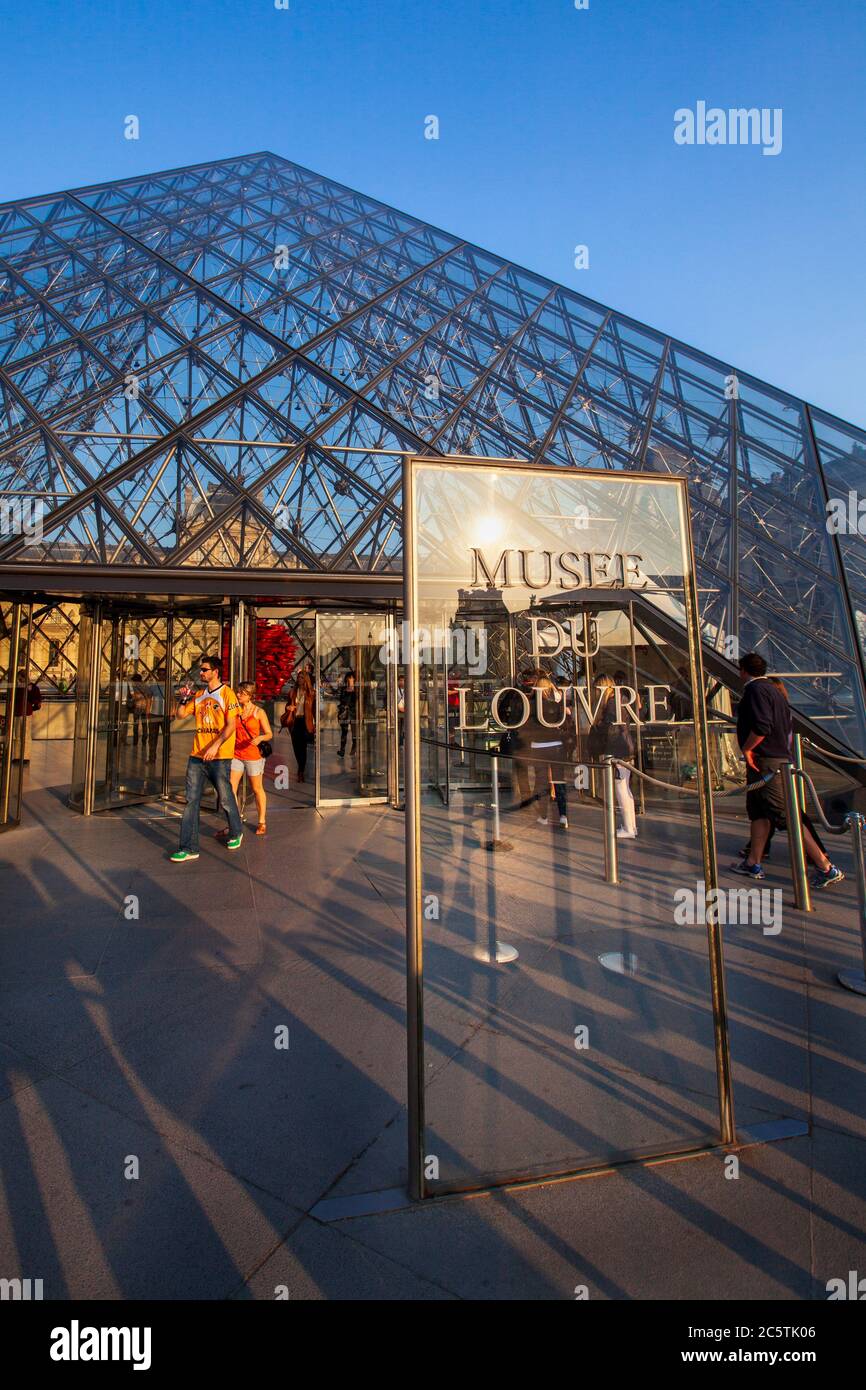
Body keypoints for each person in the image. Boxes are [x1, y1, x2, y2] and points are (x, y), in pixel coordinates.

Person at [731, 652, 843, 888]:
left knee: (786, 815)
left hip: (766, 761)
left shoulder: (755, 691)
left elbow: (762, 726)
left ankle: (825, 867)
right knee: (759, 812)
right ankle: (753, 862)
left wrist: (748, 749)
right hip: (774, 758)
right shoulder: (774, 690)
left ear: (743, 670)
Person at [170, 655, 243, 862]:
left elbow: (231, 725)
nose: (201, 673)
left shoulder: (227, 694)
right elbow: (181, 715)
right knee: (191, 801)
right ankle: (189, 847)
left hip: (219, 756)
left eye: (204, 669)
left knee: (226, 798)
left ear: (215, 672)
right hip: (197, 755)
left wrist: (216, 745)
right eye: (201, 670)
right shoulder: (200, 694)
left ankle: (236, 832)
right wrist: (183, 698)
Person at [590, 674, 637, 839]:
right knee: (626, 789)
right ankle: (631, 826)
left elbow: (611, 729)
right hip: (626, 748)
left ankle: (629, 828)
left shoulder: (611, 704)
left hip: (617, 750)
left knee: (621, 790)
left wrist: (598, 727)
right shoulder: (621, 699)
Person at [222, 681, 272, 837]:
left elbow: (269, 734)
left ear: (250, 695)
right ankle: (235, 819)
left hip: (253, 756)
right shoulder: (235, 711)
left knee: (257, 789)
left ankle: (262, 821)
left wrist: (260, 738)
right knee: (230, 788)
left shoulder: (259, 712)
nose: (238, 695)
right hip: (236, 754)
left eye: (242, 693)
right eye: (238, 692)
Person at [283, 666, 315, 783]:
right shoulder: (292, 692)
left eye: (302, 677)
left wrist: (315, 724)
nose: (299, 679)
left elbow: (315, 710)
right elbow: (286, 706)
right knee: (296, 747)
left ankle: (301, 771)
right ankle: (300, 766)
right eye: (298, 677)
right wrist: (288, 707)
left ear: (306, 679)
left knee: (303, 747)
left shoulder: (311, 693)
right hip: (295, 721)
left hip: (305, 722)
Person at [336, 669, 357, 758]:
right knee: (344, 732)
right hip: (344, 712)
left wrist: (353, 689)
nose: (350, 679)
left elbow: (357, 700)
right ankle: (342, 750)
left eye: (352, 678)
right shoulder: (343, 689)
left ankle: (354, 747)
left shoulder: (357, 689)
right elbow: (341, 700)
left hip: (353, 713)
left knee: (354, 732)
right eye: (349, 677)